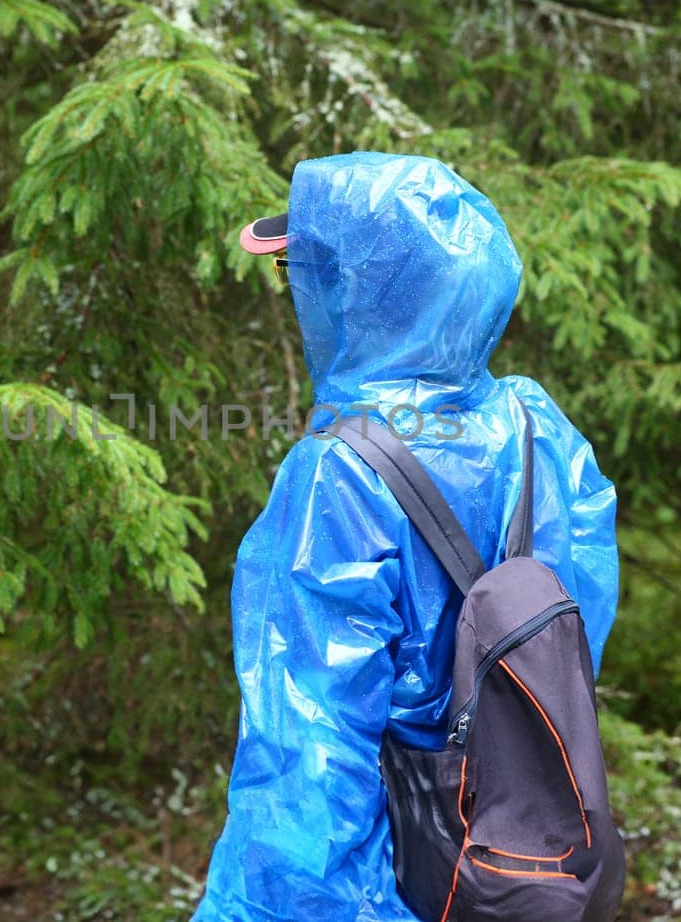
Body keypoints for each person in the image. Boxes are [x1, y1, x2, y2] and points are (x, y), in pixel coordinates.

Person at [192, 152, 619, 922]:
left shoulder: (338, 474)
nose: (295, 292)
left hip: (390, 882)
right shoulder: (536, 426)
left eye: (303, 270)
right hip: (520, 858)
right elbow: (569, 639)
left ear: (359, 293)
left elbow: (307, 757)